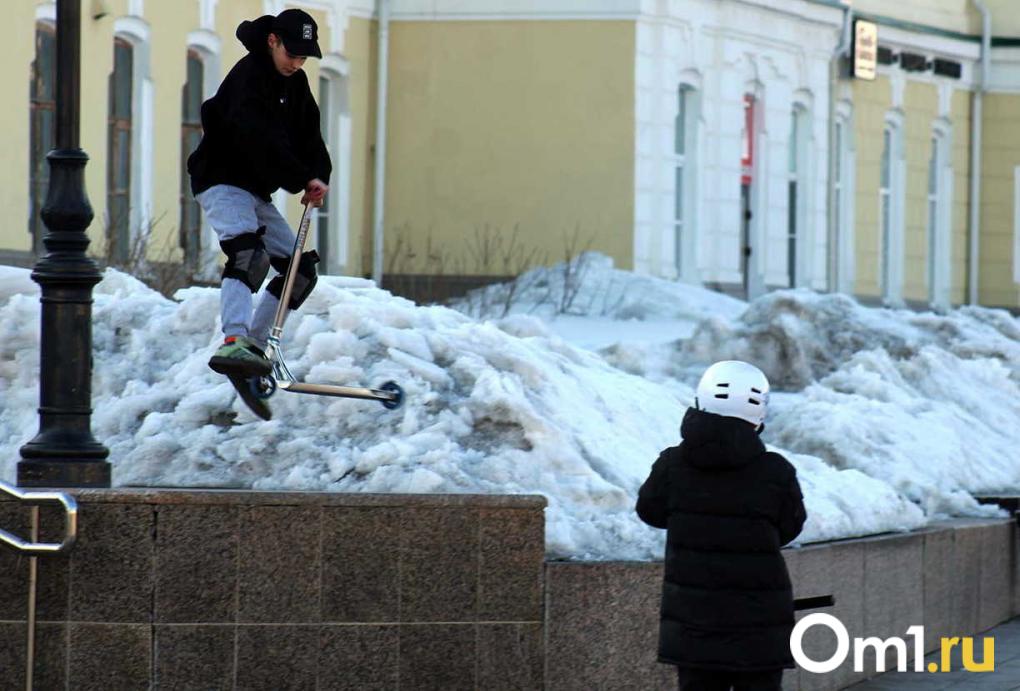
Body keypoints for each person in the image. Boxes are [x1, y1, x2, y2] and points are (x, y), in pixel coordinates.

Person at [636, 360, 807, 691]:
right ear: (758, 412)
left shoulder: (673, 464)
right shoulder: (776, 471)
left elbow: (650, 511)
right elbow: (789, 529)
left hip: (694, 620)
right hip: (758, 622)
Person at [188, 8, 331, 382]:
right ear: (273, 41)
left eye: (303, 57)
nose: (297, 63)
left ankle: (252, 346)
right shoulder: (249, 76)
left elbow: (309, 135)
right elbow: (258, 138)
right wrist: (300, 177)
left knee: (300, 270)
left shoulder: (295, 84)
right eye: (291, 54)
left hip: (254, 189)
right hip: (221, 178)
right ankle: (234, 338)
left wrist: (318, 175)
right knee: (249, 255)